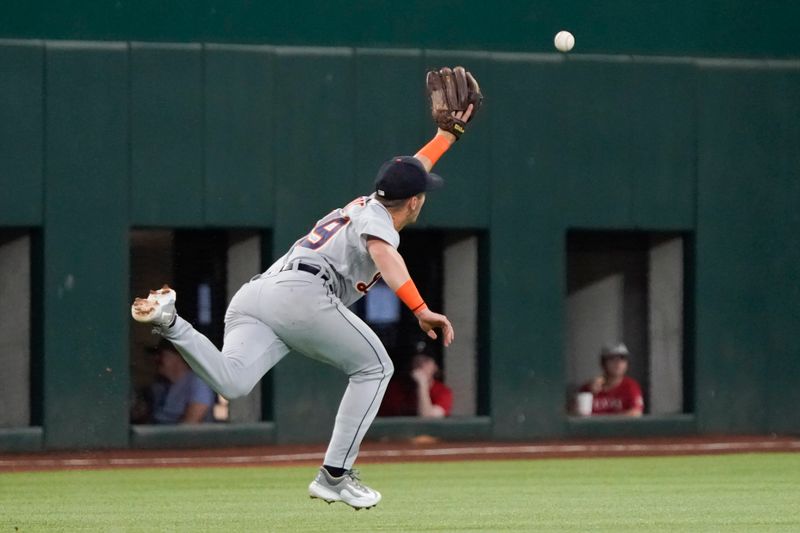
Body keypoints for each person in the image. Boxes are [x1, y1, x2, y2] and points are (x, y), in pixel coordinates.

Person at [130, 66, 481, 510]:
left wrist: (447, 135)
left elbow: (416, 168)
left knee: (233, 382)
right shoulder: (379, 222)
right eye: (422, 192)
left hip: (258, 293)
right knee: (375, 368)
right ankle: (335, 474)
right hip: (302, 294)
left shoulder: (372, 201)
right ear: (415, 201)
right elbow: (385, 254)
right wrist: (420, 308)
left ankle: (171, 322)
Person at [148, 339, 216, 424]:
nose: (156, 359)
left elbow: (190, 424)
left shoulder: (197, 383)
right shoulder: (160, 385)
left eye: (162, 355)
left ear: (179, 357)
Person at [379, 352, 453, 418]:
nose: (420, 365)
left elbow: (427, 417)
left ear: (435, 367)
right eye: (416, 361)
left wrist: (422, 385)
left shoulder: (442, 391)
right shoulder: (394, 388)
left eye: (425, 361)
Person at [579, 343, 644, 417]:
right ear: (603, 363)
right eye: (612, 359)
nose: (618, 363)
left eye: (622, 359)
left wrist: (604, 421)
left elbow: (636, 413)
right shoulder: (589, 387)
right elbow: (572, 414)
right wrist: (590, 393)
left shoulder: (630, 386)